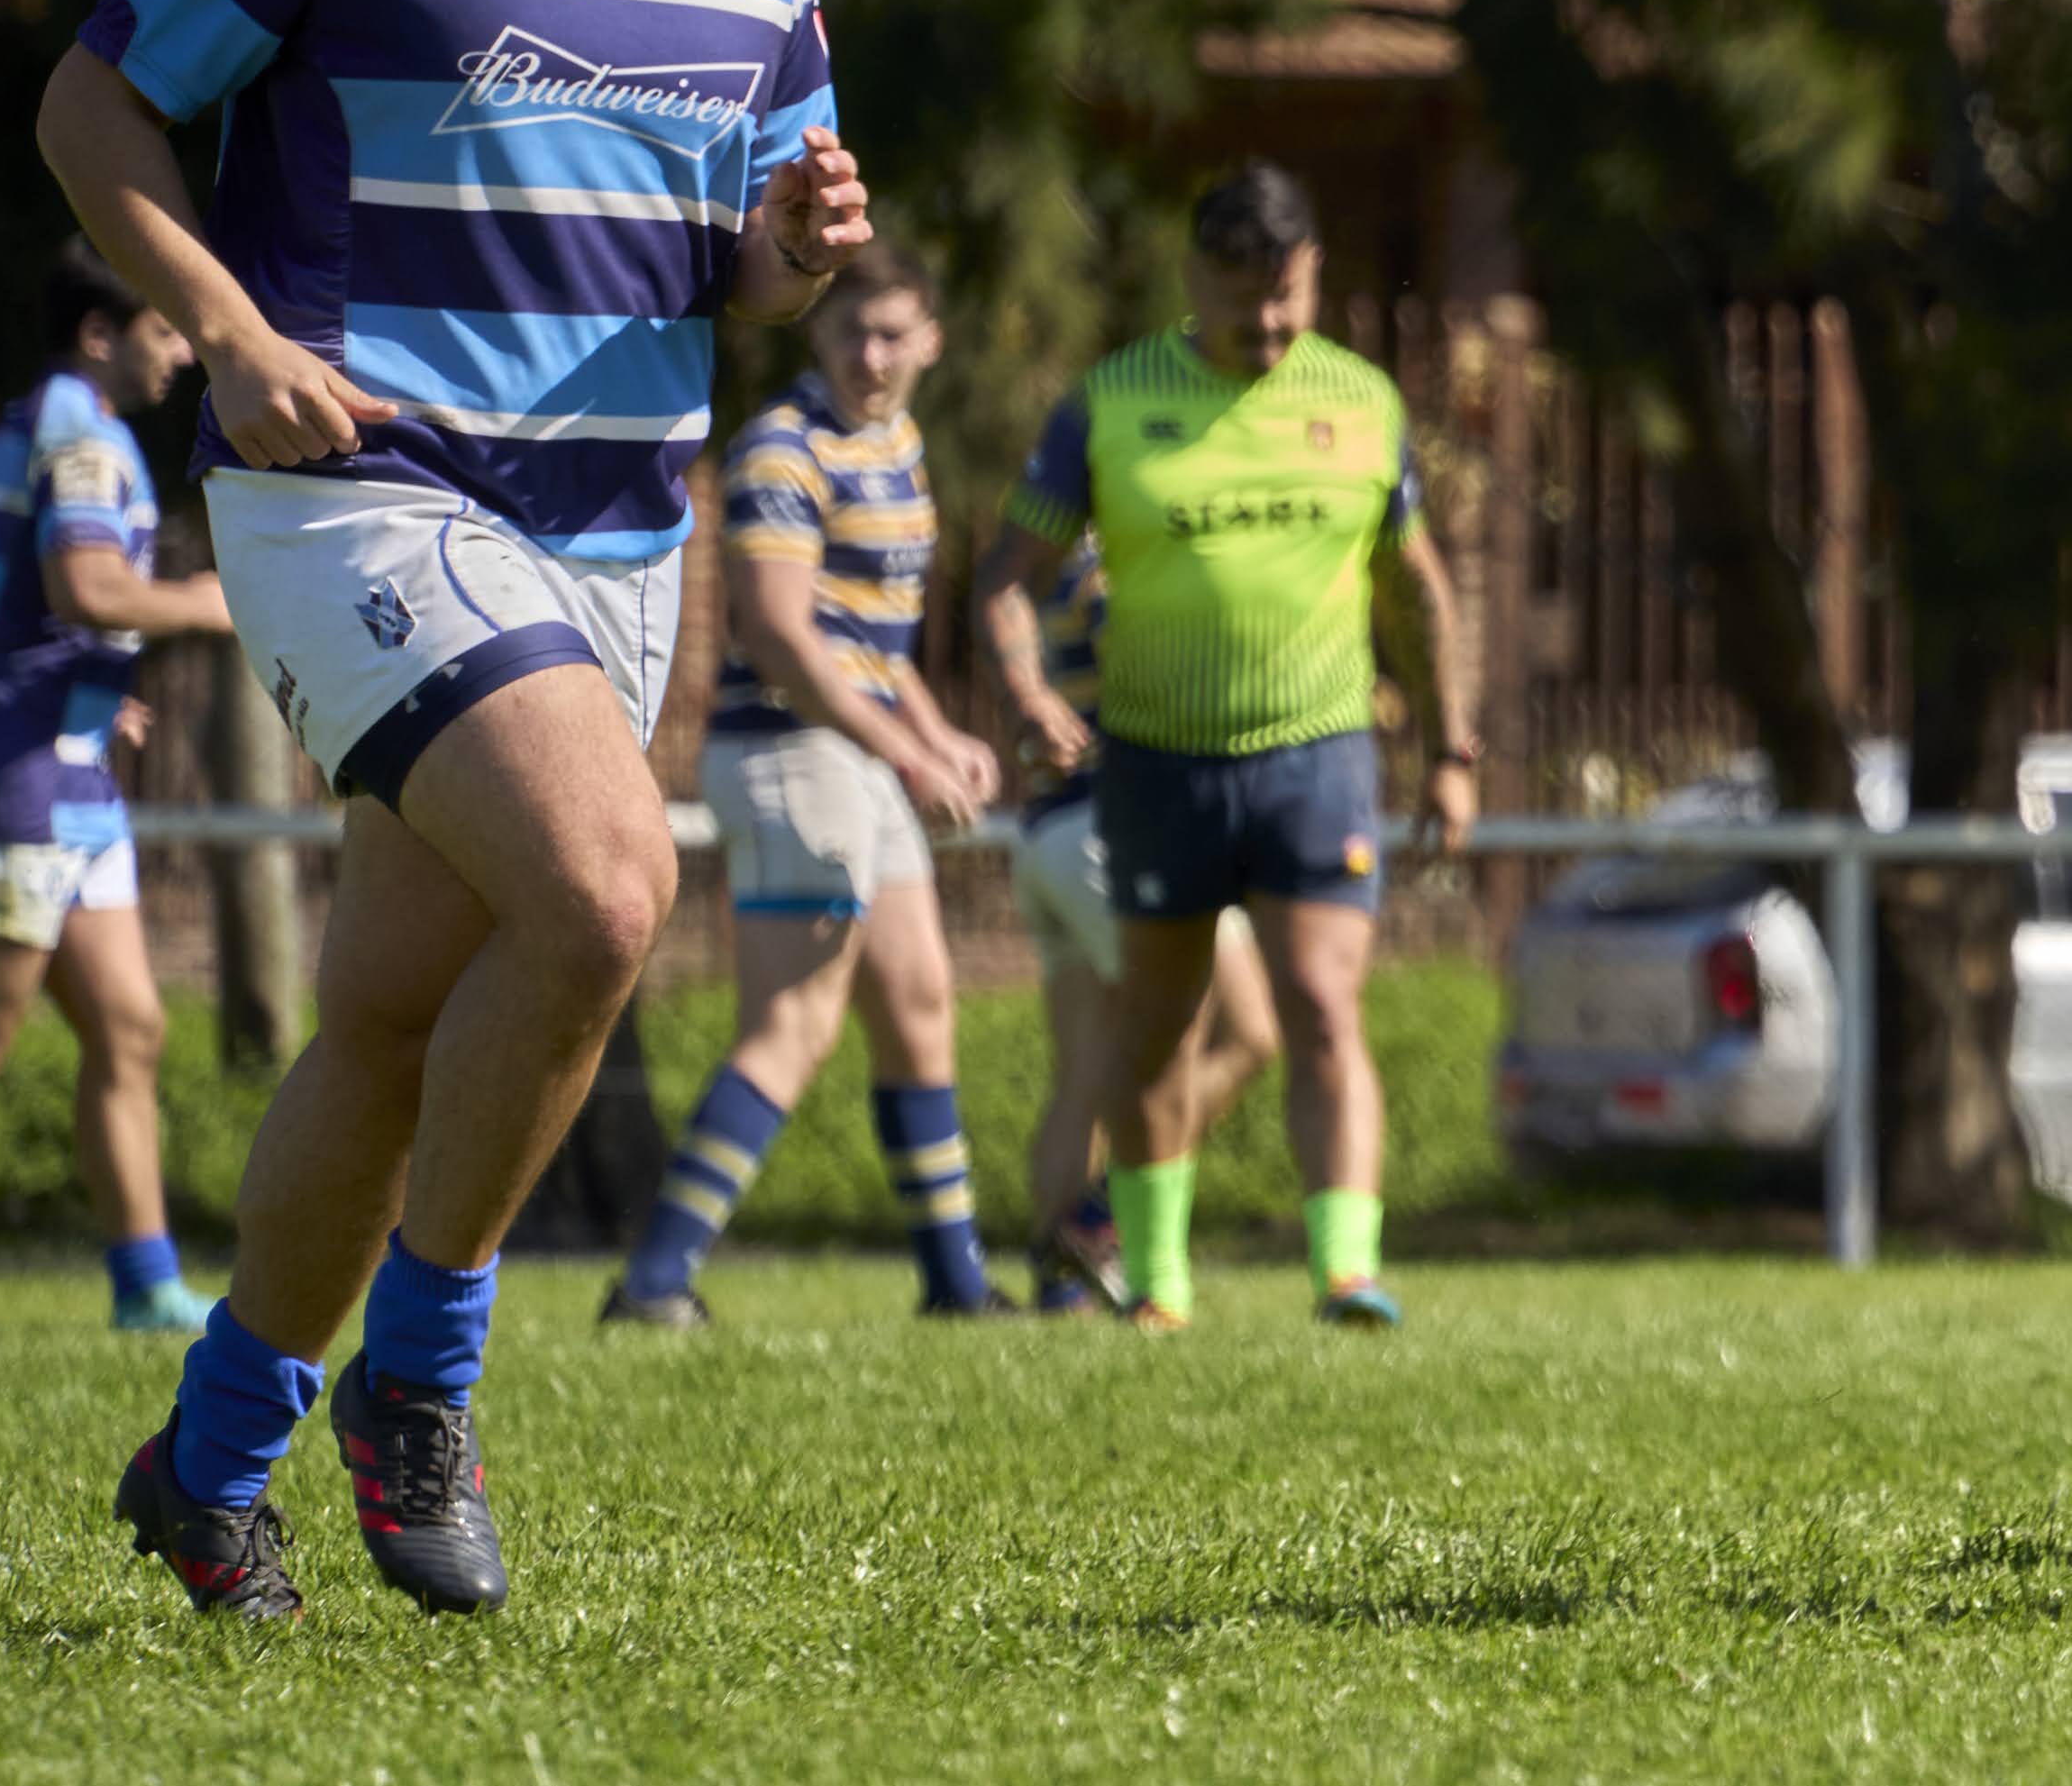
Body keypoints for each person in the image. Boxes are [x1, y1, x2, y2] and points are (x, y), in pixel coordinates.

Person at [41, 0, 867, 1621]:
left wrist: (798, 241)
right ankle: (423, 1384)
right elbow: (89, 102)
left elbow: (756, 246)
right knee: (607, 890)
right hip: (364, 491)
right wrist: (219, 325)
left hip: (617, 529)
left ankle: (209, 1463)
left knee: (397, 1022)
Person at [975, 163, 1475, 1331]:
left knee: (1318, 1002)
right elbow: (1008, 573)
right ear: (1196, 277)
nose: (1269, 321)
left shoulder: (1359, 401)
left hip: (1318, 754)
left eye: (1291, 295)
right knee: (1161, 1021)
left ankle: (1346, 1270)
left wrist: (1454, 748)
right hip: (1157, 759)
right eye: (1246, 295)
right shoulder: (1110, 402)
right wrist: (1026, 686)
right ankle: (1158, 1282)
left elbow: (1418, 586)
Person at [602, 243, 1009, 1326]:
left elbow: (874, 646)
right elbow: (781, 636)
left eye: (891, 334)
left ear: (929, 338)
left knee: (920, 1004)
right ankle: (654, 1278)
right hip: (789, 751)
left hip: (860, 750)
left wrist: (933, 730)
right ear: (819, 334)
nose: (870, 355)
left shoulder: (900, 444)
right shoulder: (783, 445)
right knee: (794, 1021)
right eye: (848, 332)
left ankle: (957, 1282)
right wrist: (909, 752)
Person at [0, 237, 230, 1333]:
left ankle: (145, 1284)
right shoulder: (77, 431)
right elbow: (87, 585)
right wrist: (218, 602)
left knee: (131, 1023)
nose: (184, 350)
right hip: (23, 773)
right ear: (102, 335)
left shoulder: (76, 429)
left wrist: (101, 693)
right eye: (165, 327)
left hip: (72, 767)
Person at [977, 526, 1283, 1315]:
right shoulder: (1113, 566)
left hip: (1045, 834)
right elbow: (1159, 683)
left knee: (1084, 1071)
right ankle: (1097, 1218)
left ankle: (1058, 1285)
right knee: (1243, 1032)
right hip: (1112, 832)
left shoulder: (1046, 566)